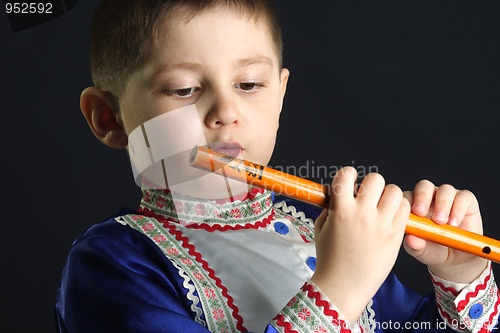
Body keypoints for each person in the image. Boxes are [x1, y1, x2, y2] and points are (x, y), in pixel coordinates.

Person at [55, 0, 499, 332]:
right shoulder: (114, 262)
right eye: (185, 89)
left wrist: (459, 273)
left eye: (249, 84)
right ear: (108, 118)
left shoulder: (323, 234)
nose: (226, 112)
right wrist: (338, 288)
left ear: (281, 94)